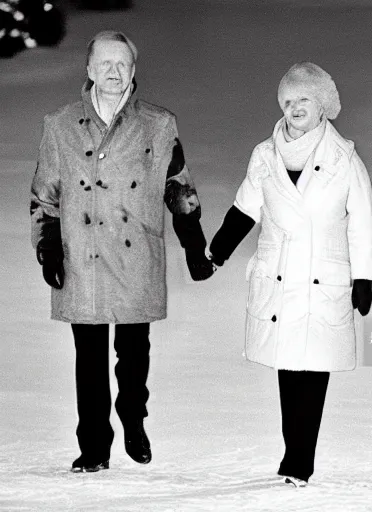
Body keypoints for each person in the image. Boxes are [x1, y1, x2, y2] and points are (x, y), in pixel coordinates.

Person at [30, 30, 214, 473]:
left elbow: (178, 186)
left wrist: (193, 243)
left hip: (136, 250)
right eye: (104, 64)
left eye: (122, 64)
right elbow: (44, 194)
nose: (113, 72)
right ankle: (93, 446)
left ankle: (134, 417)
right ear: (89, 70)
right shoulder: (60, 124)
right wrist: (49, 247)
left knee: (134, 353)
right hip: (83, 253)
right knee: (88, 357)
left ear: (133, 71)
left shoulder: (158, 122)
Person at [208, 63, 372, 487]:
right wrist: (215, 253)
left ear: (323, 105)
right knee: (289, 366)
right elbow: (245, 208)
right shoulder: (265, 155)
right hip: (282, 274)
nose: (294, 107)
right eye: (288, 100)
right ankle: (293, 452)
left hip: (324, 275)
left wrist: (364, 278)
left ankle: (300, 460)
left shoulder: (344, 159)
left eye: (304, 99)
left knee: (313, 368)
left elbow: (361, 222)